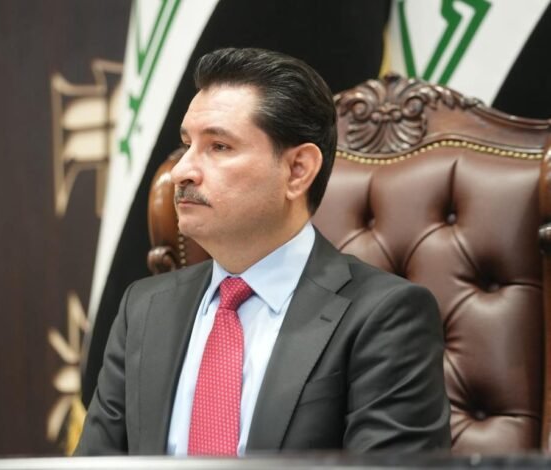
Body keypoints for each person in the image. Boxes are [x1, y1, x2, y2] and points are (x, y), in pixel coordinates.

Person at [75, 47, 450, 456]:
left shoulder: (385, 316)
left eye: (219, 146)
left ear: (298, 170)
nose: (181, 171)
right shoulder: (144, 308)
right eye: (186, 145)